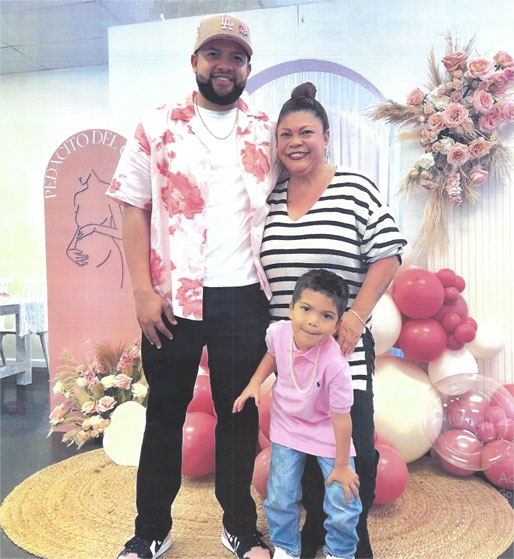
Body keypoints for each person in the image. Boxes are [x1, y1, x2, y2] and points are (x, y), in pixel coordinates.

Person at [107, 13, 278, 559]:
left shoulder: (267, 128)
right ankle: (151, 531)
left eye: (237, 57)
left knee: (238, 417)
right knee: (164, 416)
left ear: (247, 67)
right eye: (214, 54)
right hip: (171, 299)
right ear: (195, 61)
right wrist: (141, 290)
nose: (225, 65)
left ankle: (239, 526)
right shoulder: (157, 124)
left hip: (245, 297)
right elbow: (132, 207)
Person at [260, 82, 407, 559]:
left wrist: (356, 316)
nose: (295, 142)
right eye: (285, 134)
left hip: (343, 353)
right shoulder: (268, 197)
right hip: (293, 364)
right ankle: (309, 542)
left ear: (326, 137)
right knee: (301, 464)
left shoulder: (354, 188)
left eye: (306, 132)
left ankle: (351, 547)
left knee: (353, 456)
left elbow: (387, 255)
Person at [234, 269, 362, 559]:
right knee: (281, 495)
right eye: (306, 309)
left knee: (343, 498)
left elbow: (342, 418)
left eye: (326, 316)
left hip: (328, 431)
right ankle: (286, 548)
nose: (313, 321)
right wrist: (255, 382)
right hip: (287, 426)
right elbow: (272, 354)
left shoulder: (336, 365)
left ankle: (340, 552)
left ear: (337, 324)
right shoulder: (278, 333)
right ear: (291, 308)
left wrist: (343, 464)